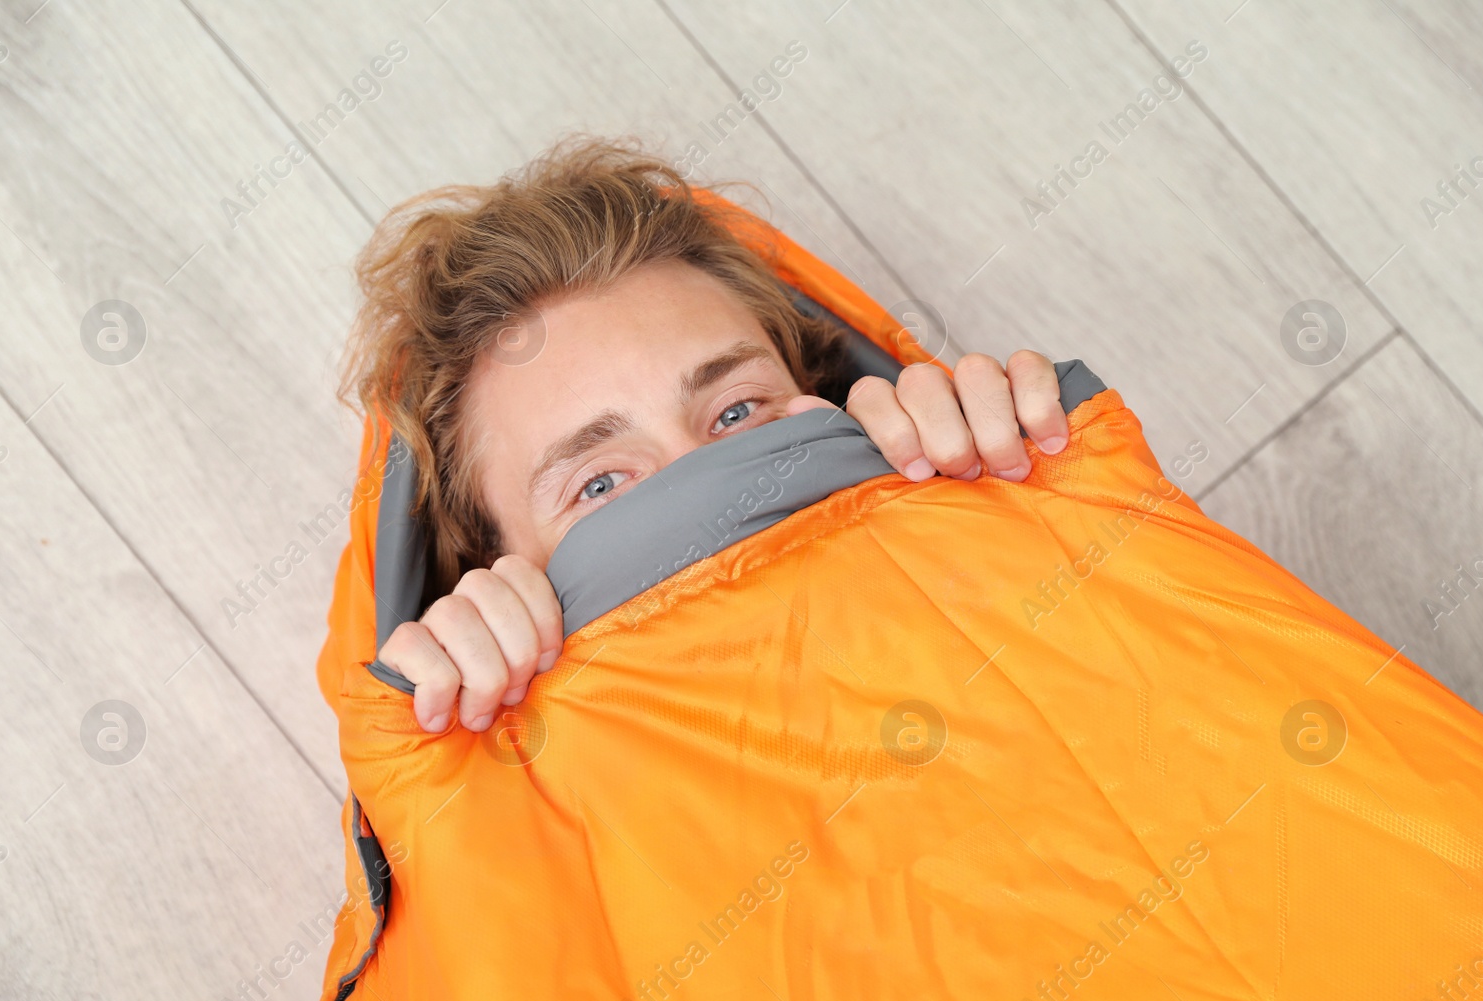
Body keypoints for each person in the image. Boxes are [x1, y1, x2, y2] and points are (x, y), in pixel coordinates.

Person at [341, 134, 1070, 735]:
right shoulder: (495, 804)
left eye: (735, 412)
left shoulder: (1016, 515)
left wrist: (1040, 494)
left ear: (817, 392)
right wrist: (442, 750)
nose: (715, 496)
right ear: (496, 573)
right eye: (601, 484)